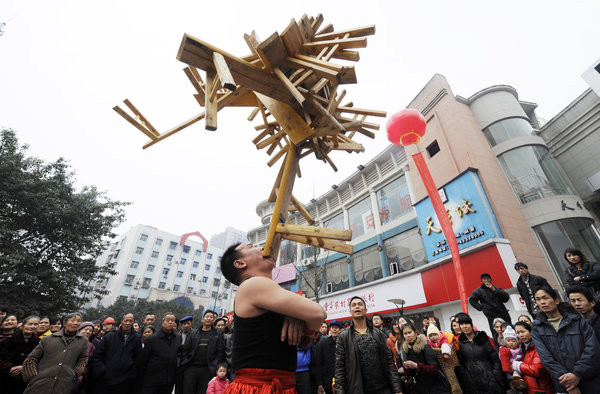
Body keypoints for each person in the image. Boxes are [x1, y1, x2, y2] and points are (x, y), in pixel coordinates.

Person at [219, 243, 326, 393]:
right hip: (258, 388)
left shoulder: (268, 293)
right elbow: (317, 313)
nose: (263, 247)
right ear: (240, 263)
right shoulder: (252, 284)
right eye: (252, 246)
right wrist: (307, 329)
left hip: (279, 386)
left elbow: (315, 315)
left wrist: (295, 315)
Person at [531, 285, 600, 393]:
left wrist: (577, 375)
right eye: (538, 299)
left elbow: (592, 349)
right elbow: (546, 359)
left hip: (589, 381)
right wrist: (569, 383)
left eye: (545, 298)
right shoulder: (537, 328)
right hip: (563, 386)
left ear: (556, 300)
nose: (542, 302)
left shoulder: (577, 321)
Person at [334, 296, 401, 394]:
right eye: (354, 305)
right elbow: (339, 368)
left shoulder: (379, 334)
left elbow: (389, 361)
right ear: (350, 311)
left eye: (360, 304)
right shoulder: (343, 336)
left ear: (365, 310)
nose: (357, 306)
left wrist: (397, 389)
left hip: (383, 388)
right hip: (358, 389)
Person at [22, 313, 89, 394]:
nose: (75, 323)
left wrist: (74, 374)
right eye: (72, 320)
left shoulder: (83, 341)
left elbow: (83, 359)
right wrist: (33, 378)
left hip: (63, 385)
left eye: (79, 321)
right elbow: (31, 359)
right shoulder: (48, 339)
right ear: (64, 323)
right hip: (39, 384)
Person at [91, 313, 142, 394]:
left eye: (130, 321)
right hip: (106, 378)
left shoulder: (137, 338)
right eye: (126, 320)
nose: (128, 323)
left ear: (133, 322)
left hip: (124, 381)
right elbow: (97, 355)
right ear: (122, 322)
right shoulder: (110, 336)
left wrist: (131, 375)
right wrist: (102, 370)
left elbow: (138, 359)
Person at [455, 313, 504, 394]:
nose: (465, 326)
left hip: (490, 380)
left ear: (471, 324)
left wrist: (495, 376)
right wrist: (466, 378)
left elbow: (495, 359)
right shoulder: (460, 343)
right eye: (462, 324)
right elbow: (461, 363)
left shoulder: (483, 338)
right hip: (472, 384)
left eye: (467, 323)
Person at [180, 309, 224, 394]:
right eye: (207, 316)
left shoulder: (217, 335)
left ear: (214, 320)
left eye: (211, 317)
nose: (209, 318)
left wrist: (215, 365)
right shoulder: (193, 333)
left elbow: (220, 353)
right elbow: (185, 350)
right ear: (202, 319)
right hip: (191, 368)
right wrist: (185, 363)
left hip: (207, 369)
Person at [400, 321, 452, 394]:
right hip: (423, 388)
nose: (408, 335)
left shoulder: (425, 346)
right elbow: (413, 373)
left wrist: (416, 366)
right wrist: (407, 368)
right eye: (405, 333)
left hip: (438, 387)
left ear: (415, 333)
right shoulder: (408, 350)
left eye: (410, 332)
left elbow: (435, 369)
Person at [136, 312, 181, 394]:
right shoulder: (152, 339)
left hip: (168, 381)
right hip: (152, 380)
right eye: (168, 320)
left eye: (172, 320)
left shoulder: (177, 338)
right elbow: (143, 361)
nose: (170, 322)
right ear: (162, 322)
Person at [0, 315, 40, 393]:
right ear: (22, 326)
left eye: (35, 324)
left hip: (27, 380)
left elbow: (43, 360)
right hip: (7, 378)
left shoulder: (40, 342)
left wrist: (24, 368)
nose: (32, 326)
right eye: (30, 324)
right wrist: (10, 368)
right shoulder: (8, 341)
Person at [512, 321, 554, 394]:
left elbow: (538, 369)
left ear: (530, 331)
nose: (520, 335)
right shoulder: (521, 347)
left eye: (523, 332)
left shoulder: (537, 347)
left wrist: (518, 365)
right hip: (530, 389)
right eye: (518, 333)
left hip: (541, 390)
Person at [468, 273, 512, 340]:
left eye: (487, 278)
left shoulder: (497, 288)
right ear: (482, 281)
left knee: (509, 330)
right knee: (496, 333)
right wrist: (481, 308)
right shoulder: (479, 291)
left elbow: (506, 298)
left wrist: (494, 290)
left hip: (503, 314)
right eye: (484, 279)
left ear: (491, 279)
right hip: (491, 316)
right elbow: (471, 300)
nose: (486, 280)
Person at [316, 320, 342, 394]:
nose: (334, 329)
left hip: (342, 380)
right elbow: (319, 363)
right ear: (330, 329)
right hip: (327, 381)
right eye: (332, 327)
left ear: (340, 329)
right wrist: (320, 382)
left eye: (336, 328)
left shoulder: (344, 342)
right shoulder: (323, 343)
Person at [497, 326, 526, 391]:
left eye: (513, 340)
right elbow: (504, 361)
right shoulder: (505, 350)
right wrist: (508, 370)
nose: (511, 343)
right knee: (514, 380)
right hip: (511, 370)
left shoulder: (520, 348)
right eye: (508, 341)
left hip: (521, 367)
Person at [72, 321, 96, 394]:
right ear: (79, 329)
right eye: (86, 329)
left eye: (90, 330)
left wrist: (82, 375)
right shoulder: (70, 341)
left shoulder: (91, 346)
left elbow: (89, 364)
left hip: (78, 377)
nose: (88, 332)